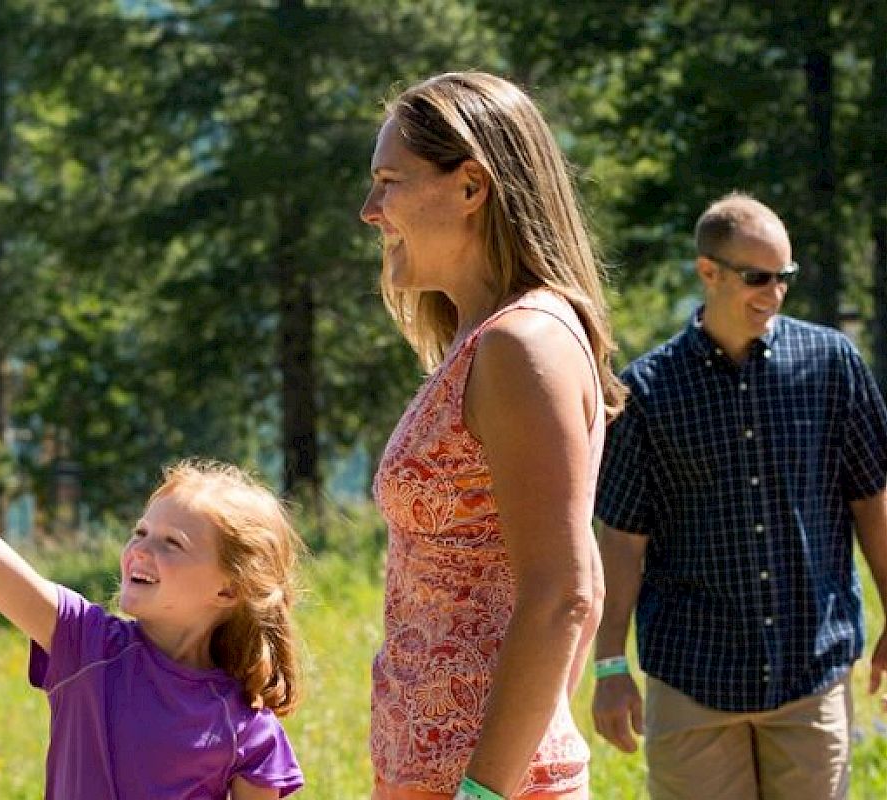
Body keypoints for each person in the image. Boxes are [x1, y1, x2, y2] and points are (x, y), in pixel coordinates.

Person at [0, 391, 306, 800]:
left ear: (229, 588)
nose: (140, 550)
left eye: (171, 543)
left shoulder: (247, 728)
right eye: (140, 532)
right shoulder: (86, 643)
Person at [359, 71, 626, 800]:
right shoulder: (490, 340)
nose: (370, 211)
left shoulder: (521, 345)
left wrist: (487, 789)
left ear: (471, 186)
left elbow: (565, 592)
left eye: (389, 181)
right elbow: (584, 584)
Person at [591, 192, 887, 800]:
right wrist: (610, 666)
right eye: (758, 278)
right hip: (692, 679)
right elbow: (620, 538)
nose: (774, 294)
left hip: (811, 670)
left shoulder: (831, 364)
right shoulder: (649, 391)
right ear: (709, 272)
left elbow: (872, 498)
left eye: (785, 277)